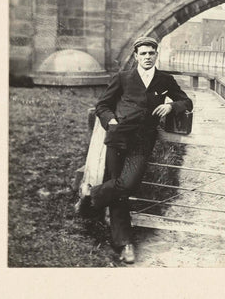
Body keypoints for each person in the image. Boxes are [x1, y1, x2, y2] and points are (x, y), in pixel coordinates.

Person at [76, 36, 193, 263]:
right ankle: (125, 244)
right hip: (118, 137)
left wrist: (171, 106)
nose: (147, 57)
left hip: (142, 141)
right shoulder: (123, 77)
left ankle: (91, 193)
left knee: (127, 184)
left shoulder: (164, 80)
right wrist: (110, 121)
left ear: (156, 55)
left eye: (151, 53)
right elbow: (103, 105)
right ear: (136, 56)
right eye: (143, 53)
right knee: (120, 190)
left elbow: (186, 102)